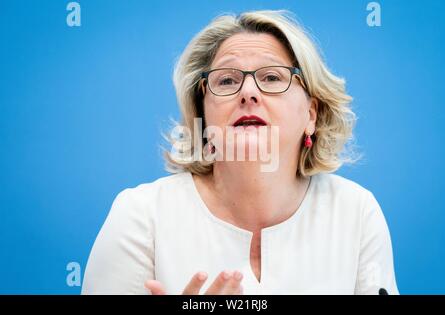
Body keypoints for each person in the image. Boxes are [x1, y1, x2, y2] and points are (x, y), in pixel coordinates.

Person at [82, 10, 399, 295]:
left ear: (311, 114)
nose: (248, 92)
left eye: (272, 77)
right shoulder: (140, 215)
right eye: (227, 80)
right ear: (203, 113)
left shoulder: (357, 212)